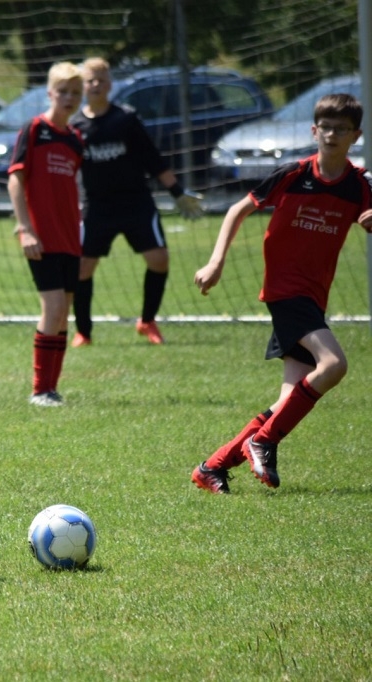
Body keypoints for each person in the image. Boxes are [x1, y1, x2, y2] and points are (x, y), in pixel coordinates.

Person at [192, 93, 372, 494]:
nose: (331, 135)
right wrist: (216, 262)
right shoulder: (294, 173)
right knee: (334, 365)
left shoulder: (359, 185)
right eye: (325, 127)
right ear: (314, 130)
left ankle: (212, 467)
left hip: (313, 298)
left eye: (341, 129)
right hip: (285, 292)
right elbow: (237, 209)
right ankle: (263, 442)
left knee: (288, 400)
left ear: (356, 136)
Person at [70, 57, 203, 348]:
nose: (96, 85)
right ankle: (83, 332)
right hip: (96, 207)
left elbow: (152, 160)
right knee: (82, 268)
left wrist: (178, 192)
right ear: (83, 86)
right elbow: (68, 170)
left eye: (101, 80)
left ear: (110, 85)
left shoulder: (126, 119)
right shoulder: (74, 126)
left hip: (135, 203)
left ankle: (147, 321)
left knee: (159, 260)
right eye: (90, 80)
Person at [7, 61, 84, 407]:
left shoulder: (75, 139)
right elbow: (15, 180)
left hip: (70, 239)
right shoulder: (35, 128)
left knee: (63, 312)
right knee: (52, 308)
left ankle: (52, 389)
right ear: (50, 93)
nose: (69, 98)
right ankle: (39, 390)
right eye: (63, 91)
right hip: (41, 237)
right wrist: (25, 228)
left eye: (75, 93)